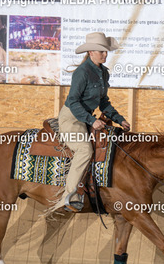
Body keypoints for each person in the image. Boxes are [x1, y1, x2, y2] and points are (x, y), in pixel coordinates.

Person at [55, 32, 130, 212]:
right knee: (84, 149)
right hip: (72, 118)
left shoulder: (103, 73)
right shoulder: (82, 72)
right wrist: (91, 120)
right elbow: (73, 101)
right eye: (101, 51)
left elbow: (103, 102)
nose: (105, 54)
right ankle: (69, 196)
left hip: (87, 118)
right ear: (90, 52)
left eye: (105, 51)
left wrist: (120, 119)